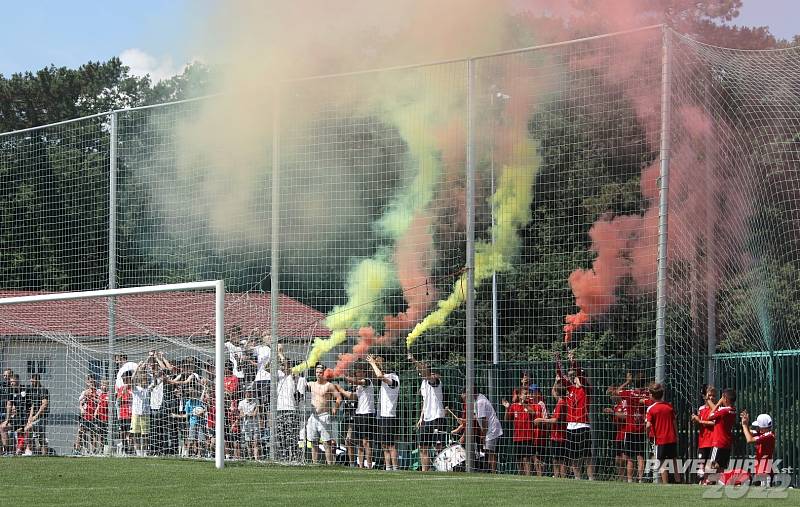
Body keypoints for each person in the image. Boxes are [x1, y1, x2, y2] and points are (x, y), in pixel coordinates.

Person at [409, 353, 446, 472]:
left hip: (437, 417)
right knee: (423, 447)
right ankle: (425, 472)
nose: (419, 370)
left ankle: (443, 470)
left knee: (438, 446)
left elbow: (426, 374)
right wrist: (421, 418)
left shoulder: (435, 380)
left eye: (422, 367)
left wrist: (414, 360)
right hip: (426, 418)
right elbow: (424, 402)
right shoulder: (423, 383)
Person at [559, 351, 594, 480]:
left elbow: (579, 373)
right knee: (573, 455)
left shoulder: (586, 389)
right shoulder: (571, 389)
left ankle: (591, 478)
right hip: (570, 427)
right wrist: (558, 361)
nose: (576, 377)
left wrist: (573, 361)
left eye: (579, 376)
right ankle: (577, 478)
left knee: (586, 455)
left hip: (583, 425)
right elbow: (561, 377)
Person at [337, 361, 376, 469]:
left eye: (359, 372)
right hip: (358, 414)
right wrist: (342, 390)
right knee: (359, 442)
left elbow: (356, 381)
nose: (357, 373)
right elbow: (353, 397)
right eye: (357, 372)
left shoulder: (367, 381)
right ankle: (360, 466)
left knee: (366, 442)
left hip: (367, 414)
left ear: (364, 373)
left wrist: (344, 377)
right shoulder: (358, 387)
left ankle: (369, 465)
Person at [614, 372, 649, 483]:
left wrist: (627, 382)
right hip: (641, 429)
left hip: (630, 429)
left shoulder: (629, 393)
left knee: (629, 457)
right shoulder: (647, 394)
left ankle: (629, 480)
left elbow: (616, 392)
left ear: (634, 382)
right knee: (640, 456)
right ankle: (640, 479)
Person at [367, 354, 400, 471]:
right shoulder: (385, 378)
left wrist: (373, 363)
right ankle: (388, 467)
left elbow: (380, 375)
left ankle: (395, 468)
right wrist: (373, 364)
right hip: (381, 415)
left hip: (389, 416)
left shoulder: (393, 379)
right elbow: (376, 375)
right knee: (384, 445)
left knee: (390, 445)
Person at [304, 363, 342, 465]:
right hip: (313, 416)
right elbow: (302, 387)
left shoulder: (329, 385)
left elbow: (339, 397)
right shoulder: (311, 384)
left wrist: (335, 407)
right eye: (317, 372)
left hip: (324, 416)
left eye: (320, 372)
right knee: (313, 442)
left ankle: (330, 464)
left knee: (326, 442)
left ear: (324, 373)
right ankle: (315, 464)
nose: (318, 374)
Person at [645, 382, 681, 484]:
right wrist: (676, 435)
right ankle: (678, 481)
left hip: (660, 439)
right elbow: (674, 422)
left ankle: (665, 483)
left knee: (662, 462)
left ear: (651, 395)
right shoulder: (669, 406)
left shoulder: (651, 409)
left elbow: (648, 425)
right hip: (671, 438)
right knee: (674, 460)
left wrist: (648, 435)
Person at [534, 379, 568, 478]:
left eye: (554, 391)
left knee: (560, 459)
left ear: (557, 392)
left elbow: (556, 420)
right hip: (556, 435)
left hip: (559, 436)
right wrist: (556, 381)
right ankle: (557, 477)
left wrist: (542, 419)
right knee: (556, 459)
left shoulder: (561, 403)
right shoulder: (561, 402)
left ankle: (561, 477)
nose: (553, 393)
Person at [275, 343, 301, 462]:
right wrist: (274, 355)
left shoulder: (293, 375)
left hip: (290, 409)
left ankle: (294, 457)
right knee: (281, 436)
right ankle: (283, 458)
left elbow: (287, 367)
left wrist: (280, 353)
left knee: (292, 436)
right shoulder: (279, 375)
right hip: (279, 409)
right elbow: (265, 368)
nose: (283, 367)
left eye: (285, 365)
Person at [502, 390, 536, 475]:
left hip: (527, 436)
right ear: (520, 396)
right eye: (525, 394)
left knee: (526, 459)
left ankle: (528, 477)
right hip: (517, 437)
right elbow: (506, 419)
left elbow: (533, 413)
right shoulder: (514, 406)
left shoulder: (530, 405)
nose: (527, 395)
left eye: (528, 394)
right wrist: (506, 408)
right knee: (519, 459)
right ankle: (521, 477)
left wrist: (525, 404)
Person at [706, 388, 737, 475]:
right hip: (727, 443)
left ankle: (708, 481)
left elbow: (710, 416)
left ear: (725, 399)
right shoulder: (733, 410)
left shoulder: (723, 411)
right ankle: (719, 482)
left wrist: (718, 403)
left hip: (718, 442)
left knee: (710, 465)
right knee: (721, 467)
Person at [690, 385, 716, 483]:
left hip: (713, 441)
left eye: (713, 395)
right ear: (704, 396)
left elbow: (714, 423)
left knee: (710, 465)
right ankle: (702, 481)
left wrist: (700, 421)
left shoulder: (716, 408)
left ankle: (707, 481)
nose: (711, 398)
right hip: (703, 440)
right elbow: (699, 423)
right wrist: (695, 420)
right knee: (701, 465)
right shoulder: (701, 409)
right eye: (709, 395)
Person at [740, 410, 775, 484]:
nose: (757, 428)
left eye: (758, 426)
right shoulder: (764, 434)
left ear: (762, 427)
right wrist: (745, 422)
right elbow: (748, 432)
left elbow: (749, 439)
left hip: (765, 471)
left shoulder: (768, 435)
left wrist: (744, 425)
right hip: (760, 470)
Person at [130, 360, 157, 456]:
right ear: (140, 380)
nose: (145, 381)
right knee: (136, 434)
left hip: (145, 414)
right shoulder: (135, 388)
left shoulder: (147, 389)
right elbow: (132, 379)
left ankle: (144, 451)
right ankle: (138, 452)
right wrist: (138, 368)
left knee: (145, 434)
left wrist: (151, 370)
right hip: (136, 413)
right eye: (144, 379)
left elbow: (154, 382)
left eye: (146, 379)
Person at [23, 373, 48, 455]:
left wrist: (36, 416)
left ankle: (29, 450)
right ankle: (44, 455)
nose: (31, 382)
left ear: (37, 380)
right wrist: (30, 418)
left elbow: (44, 405)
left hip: (41, 417)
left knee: (28, 429)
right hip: (34, 417)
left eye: (32, 380)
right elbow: (33, 405)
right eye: (30, 380)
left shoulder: (43, 390)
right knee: (41, 437)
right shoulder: (33, 391)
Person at [75, 376, 98, 455]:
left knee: (93, 433)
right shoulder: (84, 392)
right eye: (89, 382)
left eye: (92, 382)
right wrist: (81, 408)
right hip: (85, 415)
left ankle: (93, 451)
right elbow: (80, 401)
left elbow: (100, 401)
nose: (91, 383)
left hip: (93, 415)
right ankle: (82, 449)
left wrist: (94, 398)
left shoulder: (97, 392)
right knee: (81, 432)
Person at [238, 387, 261, 460]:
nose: (249, 393)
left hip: (255, 425)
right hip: (246, 426)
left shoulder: (256, 401)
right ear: (245, 393)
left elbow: (254, 413)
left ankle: (256, 459)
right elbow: (241, 414)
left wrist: (247, 414)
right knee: (248, 443)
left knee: (256, 442)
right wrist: (246, 414)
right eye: (248, 392)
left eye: (251, 392)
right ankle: (250, 458)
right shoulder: (241, 403)